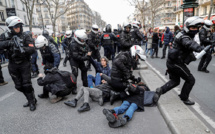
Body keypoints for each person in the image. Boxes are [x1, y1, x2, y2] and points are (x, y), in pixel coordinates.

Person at [154, 16, 204, 105]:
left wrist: (193, 57)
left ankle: (160, 90)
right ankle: (184, 98)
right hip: (176, 63)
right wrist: (199, 48)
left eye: (196, 28)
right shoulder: (184, 36)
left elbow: (185, 49)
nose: (195, 30)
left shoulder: (184, 34)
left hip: (172, 61)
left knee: (175, 81)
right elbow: (188, 43)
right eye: (193, 27)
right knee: (190, 80)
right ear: (187, 27)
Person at [0, 16, 37, 111]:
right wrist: (9, 43)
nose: (18, 28)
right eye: (16, 27)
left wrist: (22, 50)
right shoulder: (4, 36)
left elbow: (32, 48)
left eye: (19, 26)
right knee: (18, 86)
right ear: (10, 27)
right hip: (12, 64)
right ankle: (30, 98)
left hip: (24, 63)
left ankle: (31, 101)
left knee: (26, 84)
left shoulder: (25, 36)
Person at [69, 30, 91, 94]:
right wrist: (86, 57)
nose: (83, 41)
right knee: (75, 73)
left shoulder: (82, 42)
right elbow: (76, 56)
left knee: (84, 70)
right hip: (74, 60)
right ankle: (74, 88)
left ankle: (85, 85)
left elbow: (87, 47)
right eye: (82, 40)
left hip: (80, 59)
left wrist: (88, 52)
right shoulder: (73, 44)